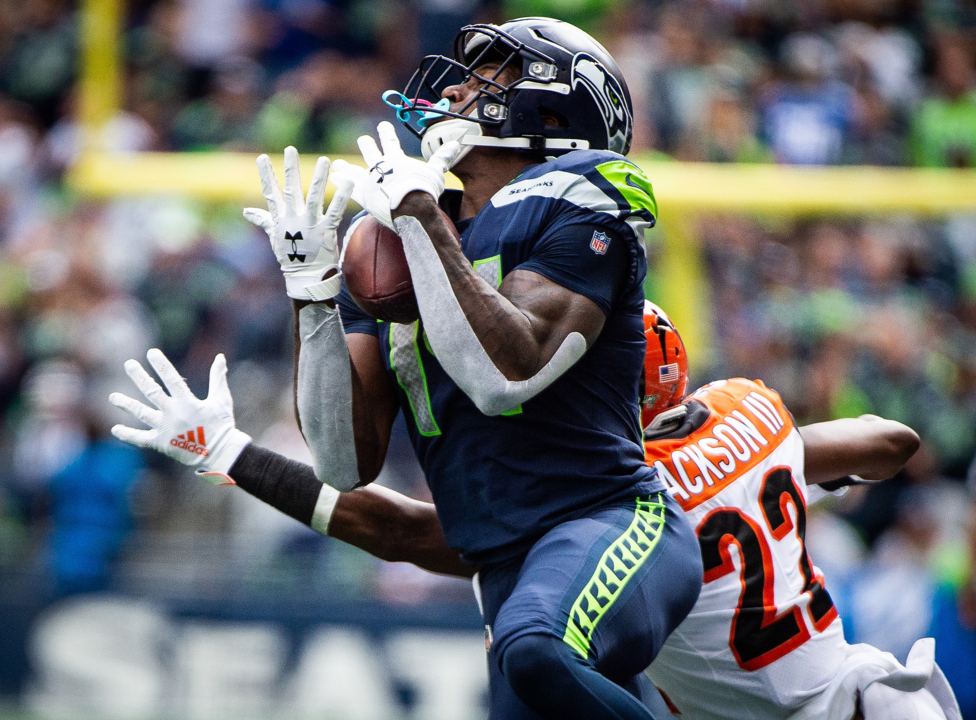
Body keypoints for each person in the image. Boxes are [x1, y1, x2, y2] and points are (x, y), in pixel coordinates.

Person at [113, 18, 704, 720]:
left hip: (610, 524)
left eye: (495, 74)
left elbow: (504, 375)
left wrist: (421, 213)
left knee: (540, 646)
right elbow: (343, 461)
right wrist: (314, 293)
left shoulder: (586, 196)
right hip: (504, 569)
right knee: (539, 658)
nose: (458, 87)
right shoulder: (390, 247)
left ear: (553, 112)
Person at [110, 302, 961, 719]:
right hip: (877, 700)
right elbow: (892, 439)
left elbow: (403, 530)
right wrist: (787, 448)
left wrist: (230, 456)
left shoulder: (608, 503)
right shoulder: (750, 409)